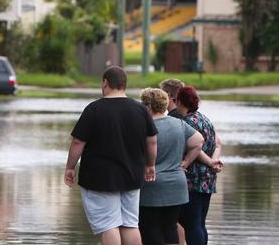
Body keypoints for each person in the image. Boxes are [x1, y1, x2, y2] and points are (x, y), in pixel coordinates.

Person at [64, 66, 158, 245]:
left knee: (109, 225)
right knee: (130, 224)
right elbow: (152, 141)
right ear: (124, 85)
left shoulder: (94, 109)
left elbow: (78, 142)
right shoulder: (140, 110)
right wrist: (150, 165)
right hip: (132, 175)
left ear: (105, 83)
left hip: (100, 178)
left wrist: (70, 167)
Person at [138, 88, 204, 245]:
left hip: (152, 184)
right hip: (177, 184)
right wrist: (186, 162)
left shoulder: (145, 127)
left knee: (150, 228)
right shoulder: (179, 123)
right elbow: (198, 141)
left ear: (148, 107)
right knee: (170, 228)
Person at [176, 86, 223, 245]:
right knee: (200, 224)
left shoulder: (187, 122)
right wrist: (213, 162)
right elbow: (217, 143)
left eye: (176, 100)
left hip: (193, 179)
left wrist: (209, 161)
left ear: (180, 101)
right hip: (208, 179)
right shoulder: (205, 119)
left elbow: (195, 147)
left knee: (191, 224)